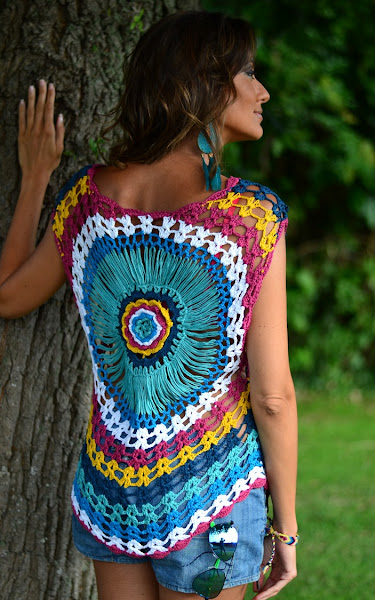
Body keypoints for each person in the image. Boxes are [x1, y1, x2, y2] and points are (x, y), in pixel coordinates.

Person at [0, 10, 298, 600]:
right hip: (213, 498)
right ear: (206, 86)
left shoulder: (87, 201)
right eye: (248, 74)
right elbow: (272, 396)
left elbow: (8, 294)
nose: (263, 91)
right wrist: (285, 530)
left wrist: (36, 179)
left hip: (112, 492)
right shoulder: (249, 219)